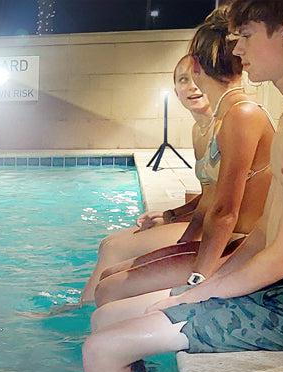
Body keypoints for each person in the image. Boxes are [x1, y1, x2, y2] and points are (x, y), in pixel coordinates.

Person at [82, 0, 283, 372]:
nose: (237, 52)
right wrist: (196, 288)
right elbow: (264, 234)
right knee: (104, 320)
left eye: (247, 36)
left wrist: (204, 291)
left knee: (100, 351)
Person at [92, 6, 275, 313]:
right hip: (227, 242)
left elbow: (225, 212)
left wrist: (198, 280)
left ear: (195, 65)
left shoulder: (242, 115)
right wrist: (180, 242)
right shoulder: (224, 117)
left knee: (110, 289)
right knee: (110, 278)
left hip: (241, 248)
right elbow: (210, 204)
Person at [81, 56, 214, 303]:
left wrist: (180, 238)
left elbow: (226, 205)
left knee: (114, 249)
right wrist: (171, 215)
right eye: (184, 80)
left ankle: (81, 314)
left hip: (222, 232)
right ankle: (83, 308)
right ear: (175, 90)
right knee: (108, 243)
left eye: (198, 77)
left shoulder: (226, 125)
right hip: (205, 223)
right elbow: (209, 194)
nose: (193, 86)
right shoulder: (199, 131)